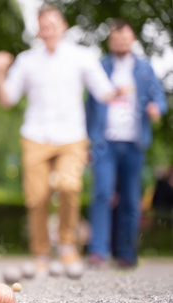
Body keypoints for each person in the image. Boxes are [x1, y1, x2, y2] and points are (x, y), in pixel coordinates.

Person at [0, 4, 120, 271]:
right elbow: (6, 100)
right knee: (36, 197)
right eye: (42, 25)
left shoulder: (82, 57)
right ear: (38, 31)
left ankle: (67, 244)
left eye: (52, 23)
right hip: (35, 136)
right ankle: (40, 252)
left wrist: (123, 92)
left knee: (70, 186)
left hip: (72, 137)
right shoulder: (27, 60)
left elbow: (104, 90)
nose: (47, 29)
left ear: (63, 26)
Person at [86, 19, 168, 268]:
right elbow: (89, 108)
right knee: (102, 193)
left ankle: (126, 253)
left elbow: (159, 98)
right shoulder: (100, 67)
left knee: (131, 199)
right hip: (105, 144)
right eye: (115, 38)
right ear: (110, 41)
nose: (120, 42)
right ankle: (98, 251)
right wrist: (88, 141)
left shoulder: (145, 69)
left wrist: (157, 109)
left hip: (134, 143)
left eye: (124, 38)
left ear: (132, 40)